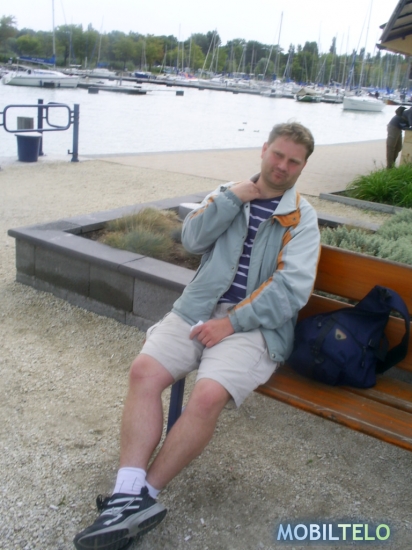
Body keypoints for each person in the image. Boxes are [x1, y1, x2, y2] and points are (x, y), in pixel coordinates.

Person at [73, 122, 321, 550]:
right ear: (264, 149)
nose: (282, 166)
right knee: (143, 372)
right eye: (277, 154)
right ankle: (128, 494)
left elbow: (292, 289)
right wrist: (233, 198)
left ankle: (144, 496)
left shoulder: (301, 217)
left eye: (293, 161)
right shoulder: (228, 193)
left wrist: (231, 322)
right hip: (198, 310)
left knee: (207, 396)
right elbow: (191, 239)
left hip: (255, 327)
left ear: (302, 166)